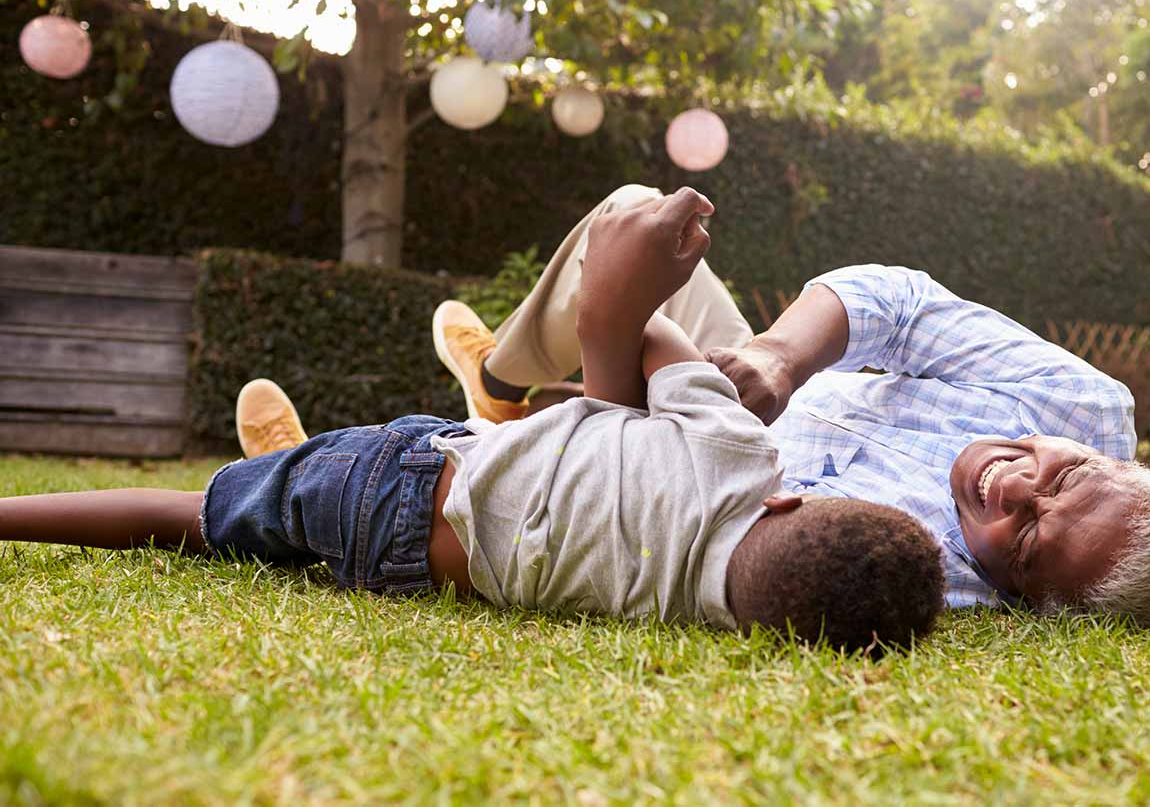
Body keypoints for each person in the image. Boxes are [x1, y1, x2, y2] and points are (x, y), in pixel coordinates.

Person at [0, 189, 945, 654]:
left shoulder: (741, 452)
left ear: (786, 503)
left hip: (411, 469)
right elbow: (623, 445)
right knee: (219, 525)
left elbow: (649, 343)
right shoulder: (683, 615)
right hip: (407, 565)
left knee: (193, 512)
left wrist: (631, 300)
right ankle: (274, 472)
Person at [412, 183, 1150, 626]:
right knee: (634, 217)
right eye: (1067, 477)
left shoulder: (930, 574)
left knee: (604, 358)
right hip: (754, 366)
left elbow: (699, 522)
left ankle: (508, 420)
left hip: (699, 448)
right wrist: (779, 355)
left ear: (1032, 600)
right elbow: (900, 304)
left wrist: (630, 365)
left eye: (1026, 539)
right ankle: (504, 389)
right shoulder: (1083, 402)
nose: (1015, 486)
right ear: (1113, 459)